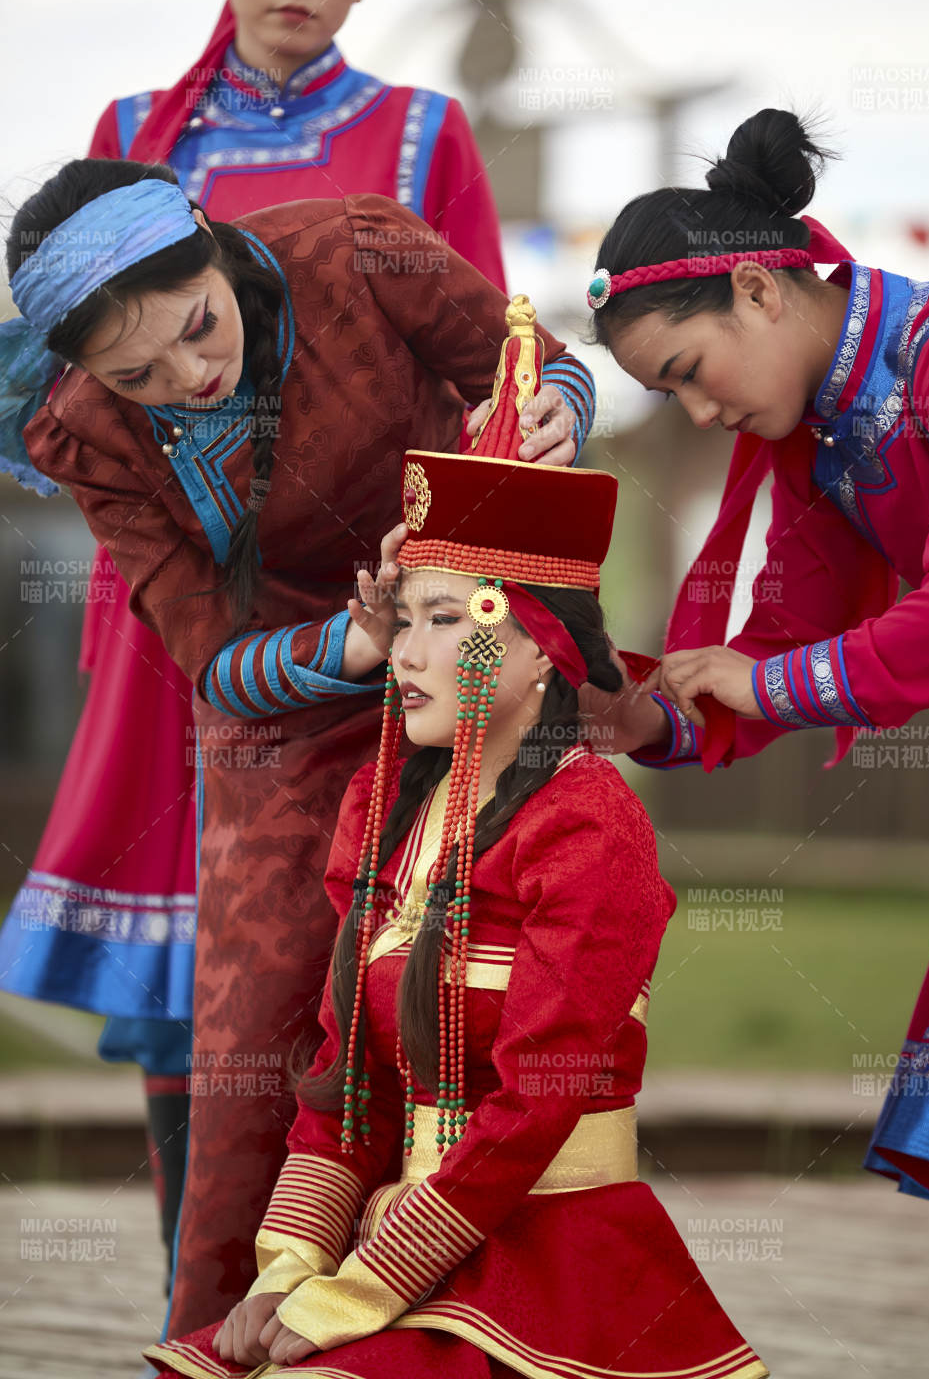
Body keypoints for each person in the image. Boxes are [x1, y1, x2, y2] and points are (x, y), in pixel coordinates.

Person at [0, 0, 593, 1298]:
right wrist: (337, 644)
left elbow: (506, 359)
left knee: (454, 971)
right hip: (244, 647)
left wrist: (541, 426)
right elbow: (208, 649)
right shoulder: (102, 365)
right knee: (237, 993)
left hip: (443, 594)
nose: (187, 379)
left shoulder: (385, 191)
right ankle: (215, 1310)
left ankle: (438, 1309)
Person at [143, 296, 769, 1379]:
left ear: (542, 649)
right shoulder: (384, 809)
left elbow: (537, 1100)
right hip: (399, 1242)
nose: (405, 655)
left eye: (448, 620)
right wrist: (288, 1270)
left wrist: (361, 1290)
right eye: (406, 620)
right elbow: (346, 1079)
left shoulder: (589, 824)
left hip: (550, 1256)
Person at [582, 107, 929, 1379]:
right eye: (667, 395)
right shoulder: (827, 432)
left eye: (689, 370)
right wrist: (642, 713)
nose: (696, 412)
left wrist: (763, 679)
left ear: (756, 288)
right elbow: (785, 645)